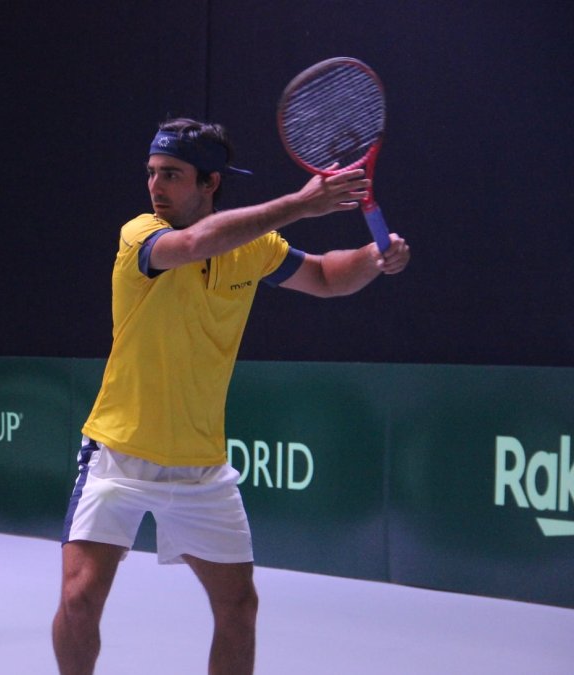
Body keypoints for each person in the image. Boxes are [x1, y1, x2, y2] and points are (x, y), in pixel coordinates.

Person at [51, 118, 410, 675]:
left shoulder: (254, 249)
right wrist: (300, 204)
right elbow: (194, 244)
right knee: (78, 599)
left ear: (209, 183)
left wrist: (373, 258)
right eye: (151, 173)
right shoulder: (141, 234)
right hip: (117, 453)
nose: (155, 186)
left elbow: (322, 276)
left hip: (200, 467)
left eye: (171, 174)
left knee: (239, 606)